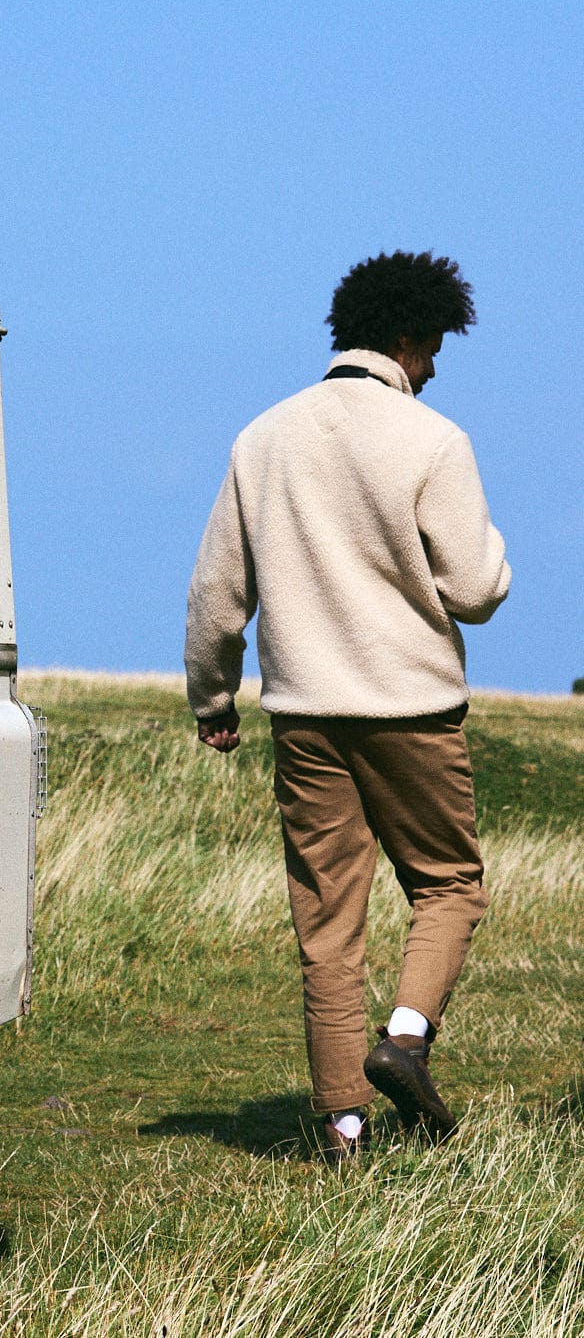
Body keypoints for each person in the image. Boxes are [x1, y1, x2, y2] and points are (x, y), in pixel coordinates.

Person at [184, 251, 510, 1160]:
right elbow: (477, 588)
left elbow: (217, 593)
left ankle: (342, 1125)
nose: (437, 365)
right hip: (412, 710)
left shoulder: (263, 438)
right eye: (435, 346)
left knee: (328, 920)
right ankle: (405, 1039)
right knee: (449, 885)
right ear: (407, 337)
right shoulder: (433, 440)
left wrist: (213, 695)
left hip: (305, 715)